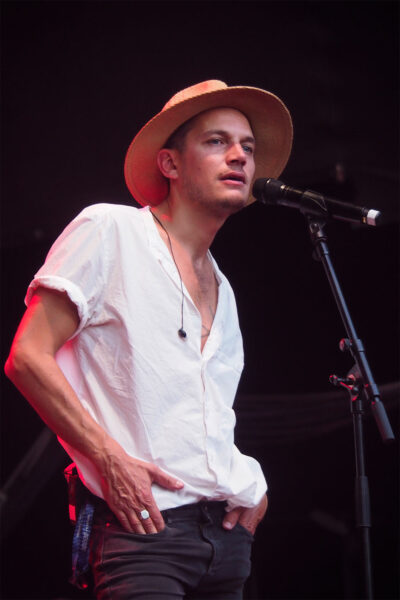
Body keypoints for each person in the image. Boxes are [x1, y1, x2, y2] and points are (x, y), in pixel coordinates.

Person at [5, 80, 293, 599]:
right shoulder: (110, 230)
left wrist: (252, 484)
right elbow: (26, 357)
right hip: (144, 533)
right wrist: (106, 456)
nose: (239, 157)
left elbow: (201, 414)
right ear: (170, 164)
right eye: (216, 141)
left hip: (227, 541)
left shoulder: (222, 286)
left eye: (248, 147)